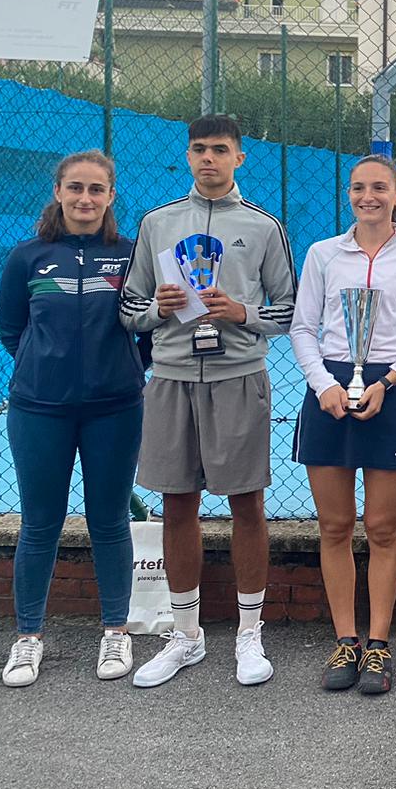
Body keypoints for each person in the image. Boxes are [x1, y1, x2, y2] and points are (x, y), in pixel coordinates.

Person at [119, 114, 298, 689]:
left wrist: (241, 313)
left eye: (220, 149)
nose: (208, 159)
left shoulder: (264, 227)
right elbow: (129, 309)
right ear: (188, 156)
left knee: (247, 503)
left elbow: (290, 310)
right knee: (178, 504)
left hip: (238, 376)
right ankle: (186, 634)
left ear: (239, 158)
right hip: (171, 377)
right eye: (199, 149)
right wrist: (160, 310)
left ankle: (250, 633)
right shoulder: (157, 223)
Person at [289, 155, 396, 695]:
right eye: (358, 188)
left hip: (390, 392)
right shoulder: (323, 254)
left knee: (382, 527)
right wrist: (323, 385)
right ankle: (345, 639)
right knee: (334, 527)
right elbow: (303, 327)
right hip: (330, 390)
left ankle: (378, 644)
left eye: (379, 187)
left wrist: (391, 380)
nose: (368, 196)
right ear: (348, 194)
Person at [0, 151, 146, 687]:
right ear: (58, 192)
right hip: (39, 409)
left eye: (96, 190)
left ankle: (115, 630)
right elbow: (12, 327)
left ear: (111, 197)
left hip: (115, 409)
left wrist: (122, 370)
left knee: (109, 522)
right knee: (40, 524)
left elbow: (146, 332)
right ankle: (28, 638)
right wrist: (47, 368)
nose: (85, 198)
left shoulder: (130, 256)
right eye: (75, 188)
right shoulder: (28, 257)